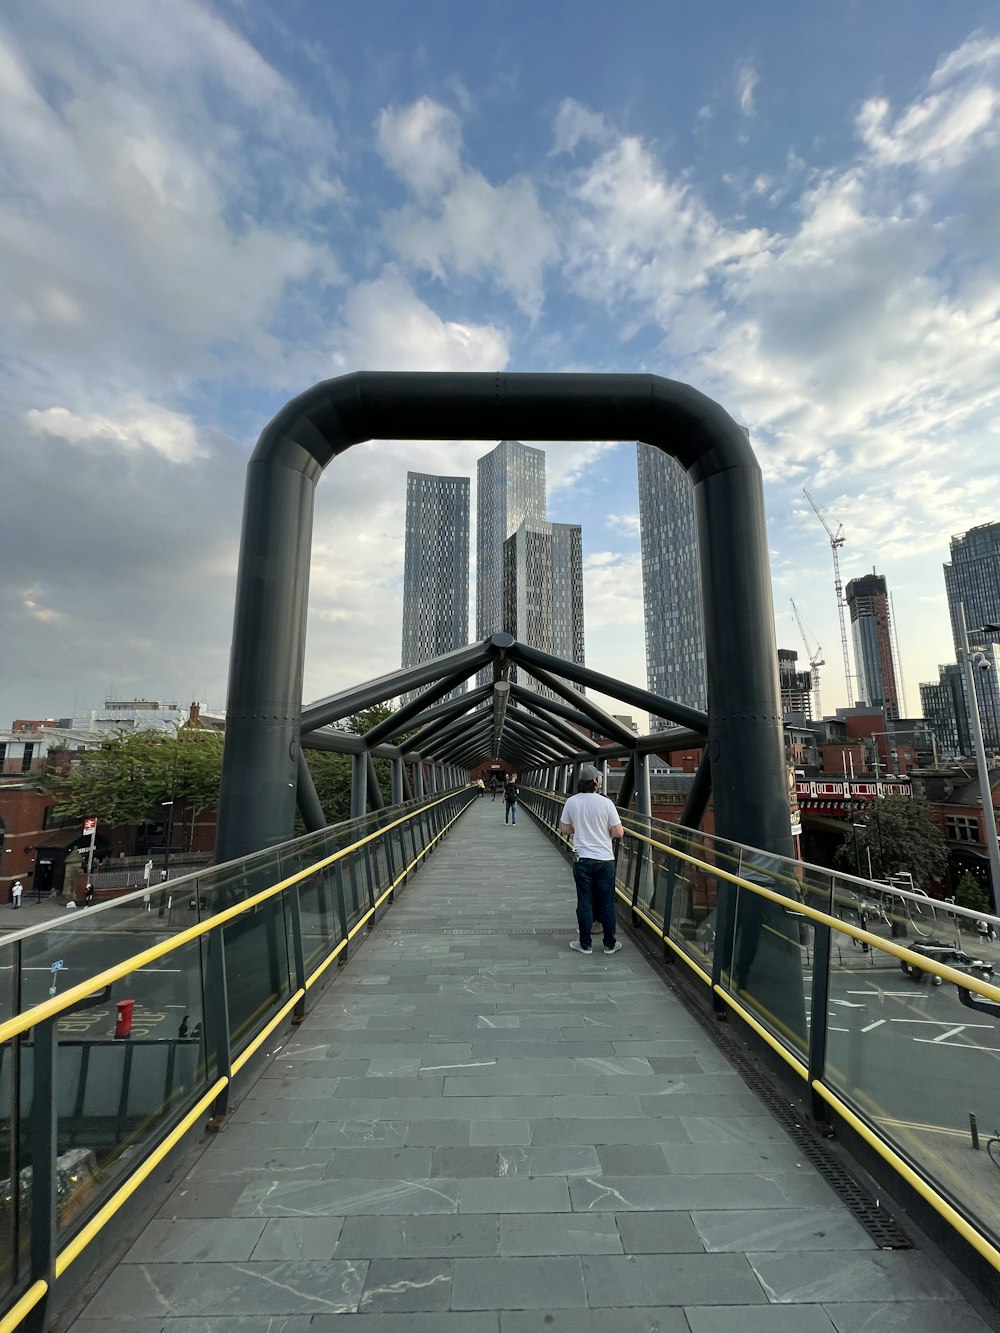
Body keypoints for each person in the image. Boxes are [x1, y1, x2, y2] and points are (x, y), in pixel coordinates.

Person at [560, 765, 624, 956]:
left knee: (585, 901)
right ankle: (609, 945)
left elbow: (565, 829)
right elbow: (618, 831)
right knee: (607, 903)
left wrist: (580, 828)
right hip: (605, 859)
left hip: (582, 858)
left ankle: (585, 944)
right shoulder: (606, 803)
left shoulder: (572, 802)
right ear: (595, 782)